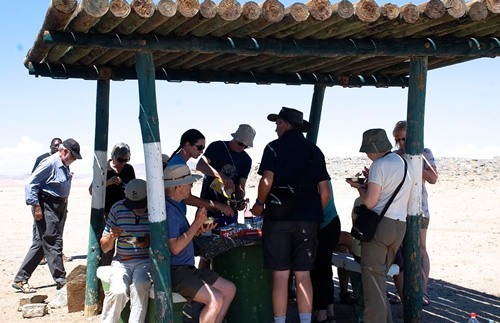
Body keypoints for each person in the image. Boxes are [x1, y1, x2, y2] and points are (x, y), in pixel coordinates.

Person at [251, 107, 330, 323]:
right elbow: (325, 193)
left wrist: (259, 204)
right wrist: (311, 214)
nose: (276, 129)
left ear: (285, 124)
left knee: (281, 274)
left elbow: (266, 180)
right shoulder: (315, 151)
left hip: (278, 220)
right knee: (303, 275)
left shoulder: (273, 148)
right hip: (307, 221)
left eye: (278, 124)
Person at [346, 129, 412, 323]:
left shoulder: (379, 165)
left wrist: (360, 187)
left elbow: (370, 202)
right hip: (399, 227)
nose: (366, 155)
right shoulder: (403, 162)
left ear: (373, 148)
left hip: (379, 228)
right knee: (379, 282)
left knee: (372, 287)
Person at [164, 164, 236, 322]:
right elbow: (175, 248)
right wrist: (196, 224)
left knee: (228, 289)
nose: (191, 185)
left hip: (186, 269)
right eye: (189, 183)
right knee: (215, 299)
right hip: (176, 271)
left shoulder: (174, 207)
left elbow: (180, 238)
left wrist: (198, 230)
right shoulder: (170, 211)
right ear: (178, 186)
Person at [13, 138, 82, 293]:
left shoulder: (63, 164)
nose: (74, 160)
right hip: (47, 206)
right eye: (73, 156)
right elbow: (31, 184)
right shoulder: (50, 162)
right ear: (64, 151)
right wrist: (36, 207)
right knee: (53, 241)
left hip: (59, 206)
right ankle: (61, 280)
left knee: (40, 244)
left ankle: (20, 278)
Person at [392, 120, 438, 306]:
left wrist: (416, 161)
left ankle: (422, 289)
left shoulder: (424, 154)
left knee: (419, 248)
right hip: (399, 210)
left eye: (405, 138)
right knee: (401, 250)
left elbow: (433, 178)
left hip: (420, 209)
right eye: (398, 139)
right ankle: (405, 291)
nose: (402, 142)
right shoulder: (394, 157)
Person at [100, 179, 152, 323]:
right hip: (122, 261)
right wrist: (111, 236)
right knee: (117, 291)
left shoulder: (154, 209)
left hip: (145, 260)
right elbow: (105, 247)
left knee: (140, 285)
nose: (137, 209)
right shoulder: (118, 208)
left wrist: (148, 241)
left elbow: (164, 238)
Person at [166, 129, 233, 218]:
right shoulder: (178, 165)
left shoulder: (178, 161)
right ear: (187, 145)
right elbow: (187, 198)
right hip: (174, 216)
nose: (201, 152)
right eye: (199, 147)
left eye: (203, 148)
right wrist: (215, 205)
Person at [90, 143, 136, 266]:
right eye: (120, 160)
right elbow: (92, 190)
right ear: (113, 156)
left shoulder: (128, 169)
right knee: (107, 246)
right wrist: (109, 182)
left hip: (125, 213)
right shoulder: (103, 169)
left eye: (126, 160)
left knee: (128, 243)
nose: (123, 163)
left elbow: (134, 189)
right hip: (107, 213)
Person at [200, 124, 256, 226]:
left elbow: (241, 185)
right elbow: (201, 165)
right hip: (208, 206)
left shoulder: (246, 160)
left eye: (246, 146)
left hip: (229, 210)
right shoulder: (217, 147)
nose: (242, 148)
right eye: (240, 144)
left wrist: (240, 200)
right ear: (235, 138)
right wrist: (220, 176)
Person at [310, 180, 341, 322]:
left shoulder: (314, 172)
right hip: (332, 223)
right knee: (325, 269)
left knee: (317, 271)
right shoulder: (321, 173)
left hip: (323, 226)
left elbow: (324, 197)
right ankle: (330, 312)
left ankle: (321, 314)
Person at [32, 137, 62, 266]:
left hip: (57, 203)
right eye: (55, 146)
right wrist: (36, 204)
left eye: (59, 146)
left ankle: (56, 254)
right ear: (50, 146)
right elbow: (33, 179)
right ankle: (40, 256)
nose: (57, 148)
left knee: (55, 230)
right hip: (41, 200)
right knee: (40, 230)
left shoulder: (61, 160)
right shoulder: (43, 159)